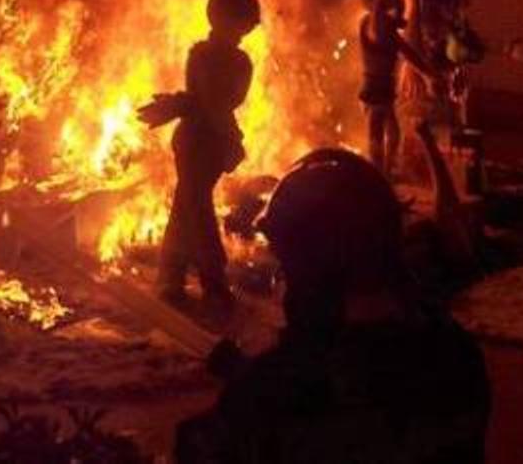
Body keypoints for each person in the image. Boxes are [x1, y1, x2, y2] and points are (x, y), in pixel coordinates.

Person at [174, 147, 491, 463]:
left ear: (311, 268)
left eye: (288, 266)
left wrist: (255, 385)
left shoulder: (272, 395)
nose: (285, 283)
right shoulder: (456, 355)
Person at [140, 0, 261, 307]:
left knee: (189, 204)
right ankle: (207, 278)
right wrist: (182, 105)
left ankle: (174, 277)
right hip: (196, 140)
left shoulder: (240, 62)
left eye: (246, 23)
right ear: (219, 19)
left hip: (211, 141)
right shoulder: (201, 54)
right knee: (194, 205)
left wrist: (181, 105)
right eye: (240, 21)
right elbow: (207, 99)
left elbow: (220, 101)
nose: (243, 29)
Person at [356, 0, 430, 180]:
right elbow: (406, 51)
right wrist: (429, 74)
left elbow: (400, 29)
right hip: (376, 87)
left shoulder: (379, 22)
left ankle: (385, 172)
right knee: (378, 131)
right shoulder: (375, 24)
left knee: (391, 130)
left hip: (383, 86)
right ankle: (378, 175)